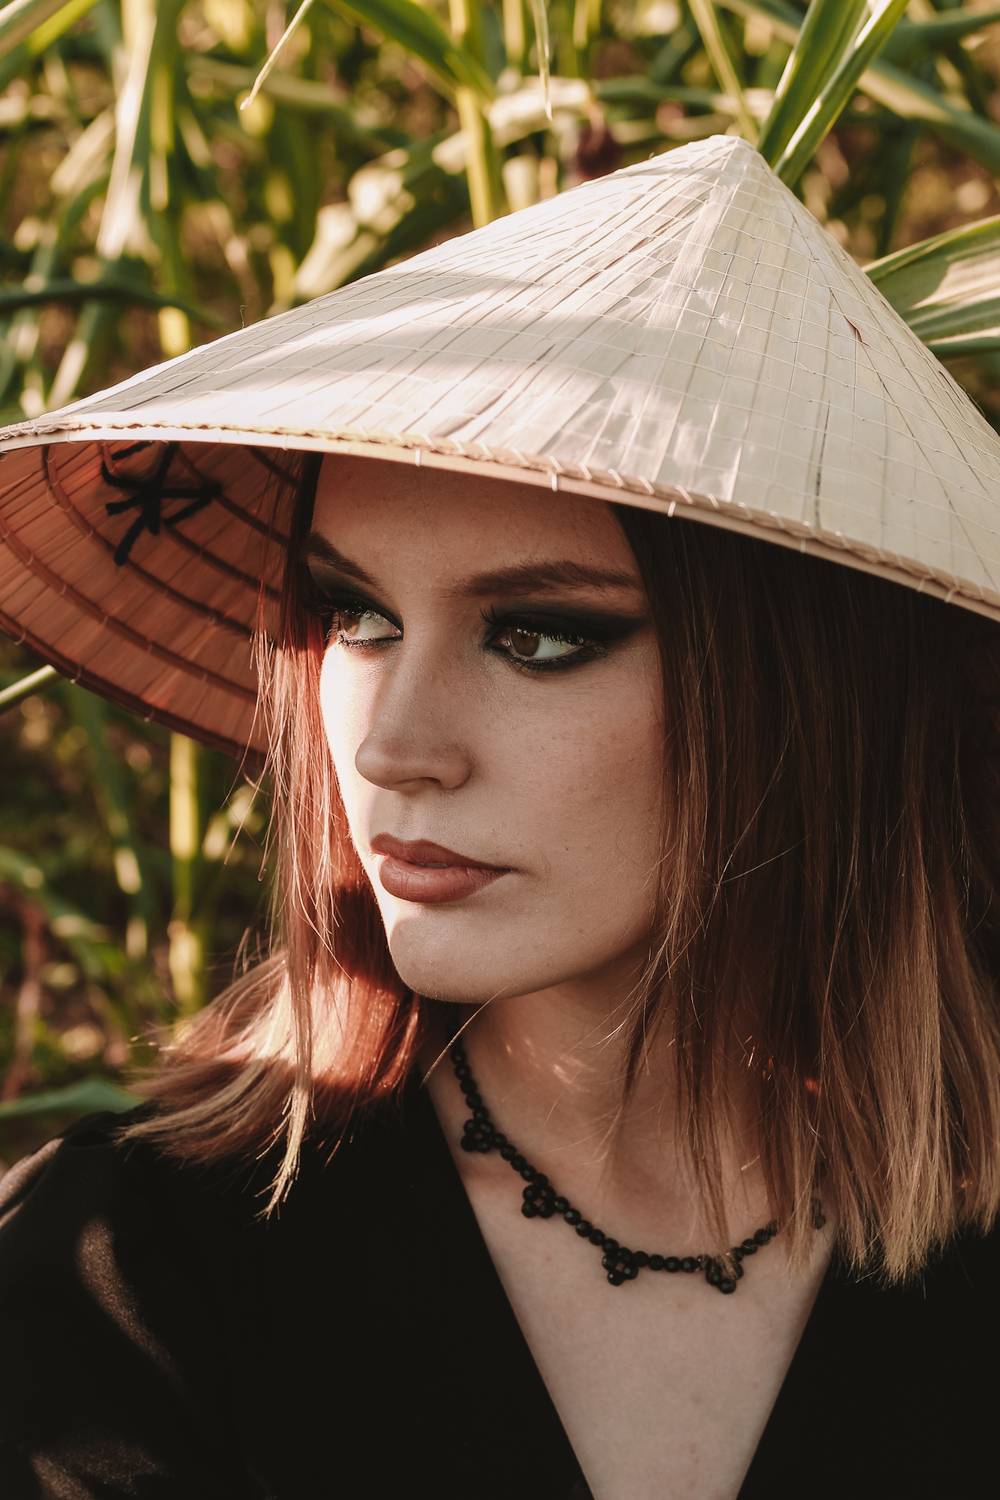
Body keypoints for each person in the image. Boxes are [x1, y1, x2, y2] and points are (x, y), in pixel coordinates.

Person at [1, 133, 999, 1500]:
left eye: (537, 636)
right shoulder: (123, 1272)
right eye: (355, 615)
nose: (393, 749)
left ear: (816, 702)